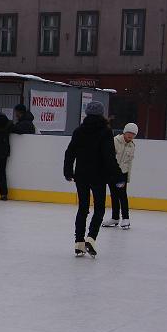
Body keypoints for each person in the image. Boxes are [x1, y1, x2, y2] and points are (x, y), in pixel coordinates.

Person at [64, 100, 124, 257]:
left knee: (82, 208)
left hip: (82, 175)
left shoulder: (79, 131)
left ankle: (79, 243)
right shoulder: (105, 132)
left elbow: (70, 152)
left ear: (87, 113)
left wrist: (68, 171)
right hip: (98, 176)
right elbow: (109, 157)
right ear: (101, 114)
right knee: (99, 208)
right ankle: (91, 238)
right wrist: (118, 176)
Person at [104, 122, 138, 230]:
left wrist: (127, 176)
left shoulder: (132, 145)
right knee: (114, 195)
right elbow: (108, 157)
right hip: (111, 173)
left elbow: (129, 163)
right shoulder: (115, 141)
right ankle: (115, 218)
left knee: (122, 195)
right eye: (129, 133)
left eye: (133, 134)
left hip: (121, 175)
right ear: (124, 132)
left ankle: (126, 218)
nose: (130, 135)